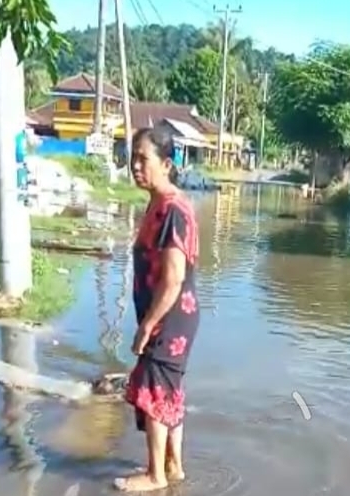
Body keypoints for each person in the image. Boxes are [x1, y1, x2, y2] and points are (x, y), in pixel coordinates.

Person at [114, 128, 200, 492]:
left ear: (166, 164)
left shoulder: (172, 211)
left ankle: (156, 475)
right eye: (132, 158)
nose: (135, 166)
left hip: (169, 317)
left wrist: (147, 326)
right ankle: (173, 466)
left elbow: (173, 279)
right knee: (168, 390)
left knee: (153, 389)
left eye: (143, 159)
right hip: (171, 316)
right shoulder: (160, 204)